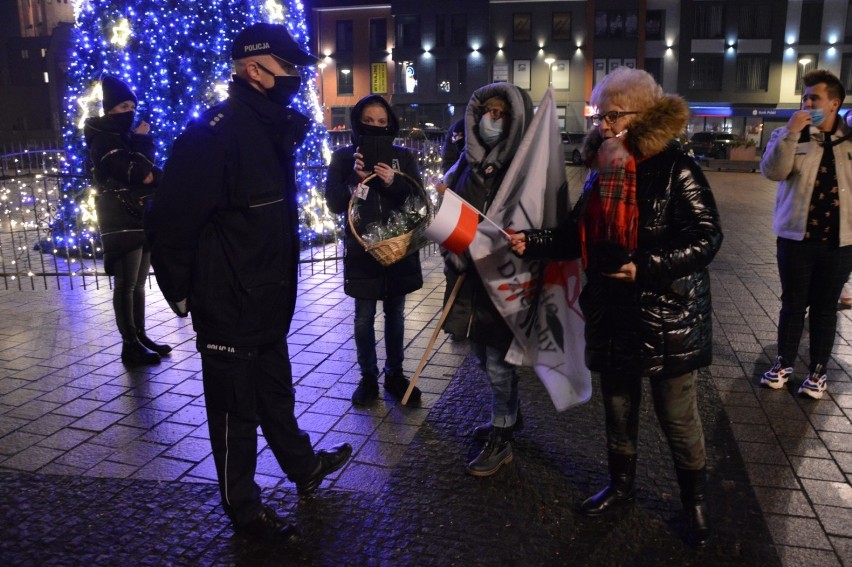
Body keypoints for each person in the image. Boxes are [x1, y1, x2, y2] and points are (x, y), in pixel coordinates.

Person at [146, 23, 351, 542]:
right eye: (288, 68)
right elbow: (169, 223)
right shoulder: (212, 135)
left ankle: (304, 469)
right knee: (237, 414)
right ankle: (244, 511)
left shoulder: (267, 128)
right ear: (254, 70)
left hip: (266, 301)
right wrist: (186, 295)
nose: (296, 77)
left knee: (276, 396)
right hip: (228, 305)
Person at [510, 67, 722, 548]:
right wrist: (532, 241)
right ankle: (620, 487)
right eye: (598, 115)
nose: (601, 125)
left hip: (669, 315)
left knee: (678, 417)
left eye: (611, 116)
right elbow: (573, 235)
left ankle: (695, 503)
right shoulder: (602, 165)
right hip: (613, 311)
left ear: (642, 115)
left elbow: (707, 238)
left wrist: (645, 266)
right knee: (618, 409)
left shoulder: (677, 169)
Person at [440, 83, 533, 478]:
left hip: (502, 281)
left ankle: (502, 435)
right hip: (467, 277)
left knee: (498, 362)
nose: (492, 120)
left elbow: (533, 222)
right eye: (487, 112)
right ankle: (509, 416)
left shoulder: (525, 170)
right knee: (480, 355)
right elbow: (454, 213)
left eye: (502, 114)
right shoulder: (464, 162)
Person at [324, 95, 424, 407]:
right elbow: (335, 204)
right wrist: (355, 180)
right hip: (362, 251)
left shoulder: (403, 157)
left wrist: (395, 182)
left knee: (395, 314)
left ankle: (395, 374)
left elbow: (417, 201)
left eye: (382, 122)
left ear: (391, 124)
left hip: (398, 250)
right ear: (358, 123)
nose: (376, 126)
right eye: (369, 121)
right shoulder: (343, 158)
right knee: (363, 317)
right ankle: (368, 377)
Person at [759, 69, 852, 400]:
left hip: (839, 244)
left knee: (825, 308)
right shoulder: (790, 134)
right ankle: (783, 363)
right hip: (796, 240)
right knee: (793, 304)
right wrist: (790, 133)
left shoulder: (850, 141)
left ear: (834, 104)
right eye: (805, 97)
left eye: (815, 98)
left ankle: (817, 371)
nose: (807, 102)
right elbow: (773, 171)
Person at [84, 75, 171, 367]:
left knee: (137, 283)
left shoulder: (123, 139)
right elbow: (136, 174)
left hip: (137, 215)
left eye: (132, 106)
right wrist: (144, 142)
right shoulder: (104, 139)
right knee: (126, 283)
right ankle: (129, 344)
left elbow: (151, 175)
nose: (129, 112)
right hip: (120, 217)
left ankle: (140, 335)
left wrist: (144, 164)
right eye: (123, 107)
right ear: (109, 109)